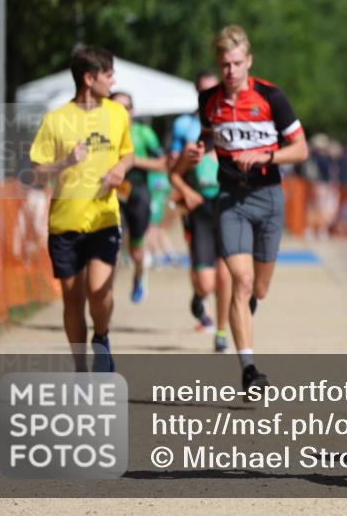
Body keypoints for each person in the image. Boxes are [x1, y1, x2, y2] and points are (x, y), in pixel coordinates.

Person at [188, 25, 308, 391]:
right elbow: (207, 135)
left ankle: (246, 308)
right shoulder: (209, 100)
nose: (231, 71)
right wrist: (198, 150)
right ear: (218, 64)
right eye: (225, 64)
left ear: (249, 61)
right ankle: (249, 369)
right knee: (240, 280)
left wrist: (265, 156)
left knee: (259, 288)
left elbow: (301, 149)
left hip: (268, 196)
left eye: (237, 63)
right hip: (230, 199)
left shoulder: (271, 96)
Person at [29, 46, 134, 372]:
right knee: (72, 300)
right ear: (89, 79)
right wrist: (65, 162)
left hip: (105, 218)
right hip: (65, 223)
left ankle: (101, 337)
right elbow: (36, 173)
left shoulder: (117, 114)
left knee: (99, 293)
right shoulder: (55, 120)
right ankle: (81, 369)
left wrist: (121, 169)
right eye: (108, 75)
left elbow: (128, 153)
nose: (113, 81)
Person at [170, 72, 233, 352]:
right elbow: (174, 172)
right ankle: (199, 296)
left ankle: (221, 332)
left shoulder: (232, 141)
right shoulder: (190, 137)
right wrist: (187, 191)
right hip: (200, 212)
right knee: (207, 283)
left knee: (225, 277)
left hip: (227, 210)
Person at [110, 91, 166, 303]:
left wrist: (134, 161)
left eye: (125, 107)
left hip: (138, 193)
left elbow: (163, 164)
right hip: (112, 195)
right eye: (116, 107)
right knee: (112, 246)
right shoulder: (103, 134)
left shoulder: (144, 133)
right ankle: (105, 294)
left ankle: (139, 276)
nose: (121, 112)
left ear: (132, 110)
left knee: (136, 250)